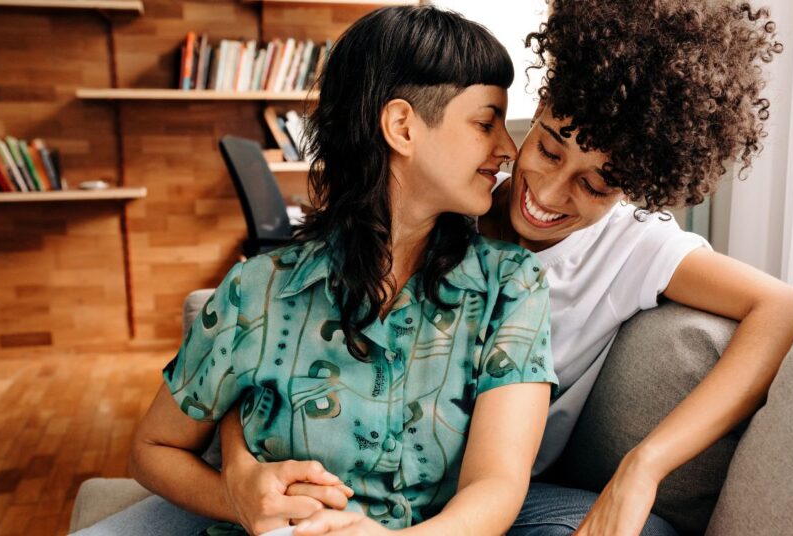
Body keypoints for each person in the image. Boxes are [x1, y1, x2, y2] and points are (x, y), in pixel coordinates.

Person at [221, 1, 793, 536]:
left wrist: (645, 465)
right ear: (541, 105)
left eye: (595, 185)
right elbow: (273, 347)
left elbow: (783, 307)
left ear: (635, 186)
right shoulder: (449, 191)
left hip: (492, 494)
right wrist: (238, 468)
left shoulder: (633, 248)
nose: (546, 194)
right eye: (548, 148)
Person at [74, 6, 560, 536]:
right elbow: (151, 448)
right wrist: (235, 497)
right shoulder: (256, 290)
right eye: (486, 123)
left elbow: (496, 484)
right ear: (402, 127)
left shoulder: (508, 286)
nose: (507, 149)